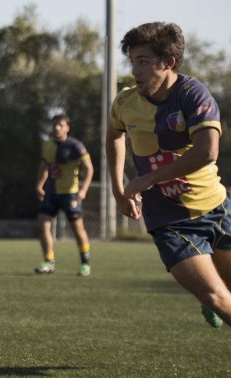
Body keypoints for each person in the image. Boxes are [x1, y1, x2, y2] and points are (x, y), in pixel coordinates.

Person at [107, 22, 230, 329]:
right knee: (217, 296)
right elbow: (113, 137)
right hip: (170, 223)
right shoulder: (125, 102)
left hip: (217, 210)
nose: (135, 70)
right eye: (133, 61)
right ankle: (206, 298)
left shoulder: (192, 94)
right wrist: (118, 189)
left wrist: (146, 179)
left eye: (144, 61)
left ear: (168, 62)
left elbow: (207, 152)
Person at [34, 114, 94, 276]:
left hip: (70, 193)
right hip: (51, 192)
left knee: (77, 228)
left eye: (60, 125)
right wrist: (40, 185)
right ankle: (49, 261)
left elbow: (89, 169)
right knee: (43, 224)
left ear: (67, 127)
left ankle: (85, 264)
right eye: (54, 125)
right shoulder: (47, 145)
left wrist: (83, 190)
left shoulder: (75, 146)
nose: (57, 128)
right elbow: (45, 166)